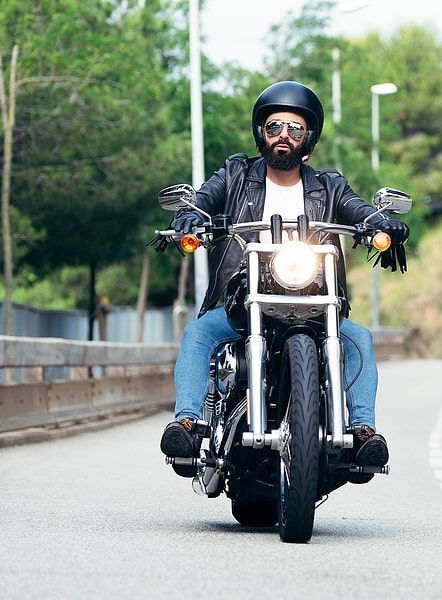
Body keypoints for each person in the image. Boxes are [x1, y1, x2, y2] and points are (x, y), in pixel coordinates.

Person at [158, 81, 408, 477]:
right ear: (262, 132)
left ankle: (362, 432)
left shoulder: (329, 185)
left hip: (313, 299)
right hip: (243, 298)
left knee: (358, 338)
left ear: (308, 136)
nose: (284, 137)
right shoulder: (237, 174)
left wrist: (379, 223)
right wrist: (193, 214)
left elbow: (356, 208)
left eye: (295, 129)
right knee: (198, 334)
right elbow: (207, 197)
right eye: (275, 127)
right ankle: (187, 425)